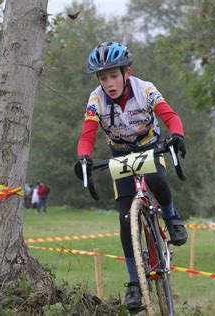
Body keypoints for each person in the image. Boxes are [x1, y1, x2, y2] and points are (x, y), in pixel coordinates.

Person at [76, 41, 188, 311]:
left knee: (157, 179)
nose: (109, 83)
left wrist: (177, 135)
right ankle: (135, 283)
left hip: (149, 146)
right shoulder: (96, 99)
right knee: (126, 218)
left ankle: (171, 217)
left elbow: (170, 116)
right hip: (120, 155)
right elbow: (87, 134)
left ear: (127, 73)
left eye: (114, 75)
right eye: (103, 78)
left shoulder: (145, 89)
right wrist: (83, 158)